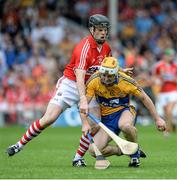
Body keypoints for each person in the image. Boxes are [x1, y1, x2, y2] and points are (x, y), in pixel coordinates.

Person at [6, 14, 131, 162]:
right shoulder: (84, 48)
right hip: (71, 84)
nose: (103, 32)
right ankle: (18, 145)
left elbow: (106, 66)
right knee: (49, 118)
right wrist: (82, 99)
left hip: (90, 86)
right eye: (100, 29)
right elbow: (79, 76)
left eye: (105, 30)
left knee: (95, 124)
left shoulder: (106, 48)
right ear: (92, 29)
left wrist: (121, 70)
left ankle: (78, 158)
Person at [79, 56, 166, 167]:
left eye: (109, 76)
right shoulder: (94, 80)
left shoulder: (126, 81)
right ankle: (124, 150)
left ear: (115, 74)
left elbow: (144, 98)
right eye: (103, 75)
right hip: (106, 119)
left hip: (124, 111)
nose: (105, 78)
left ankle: (134, 155)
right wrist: (85, 124)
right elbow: (83, 105)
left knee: (125, 126)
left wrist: (157, 119)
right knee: (93, 150)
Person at [154, 48, 177, 136]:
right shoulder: (159, 66)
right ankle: (173, 123)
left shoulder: (175, 66)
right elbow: (155, 77)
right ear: (165, 56)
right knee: (165, 112)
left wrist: (171, 79)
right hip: (162, 92)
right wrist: (157, 81)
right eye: (169, 55)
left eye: (172, 55)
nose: (171, 57)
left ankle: (167, 131)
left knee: (169, 111)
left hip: (173, 91)